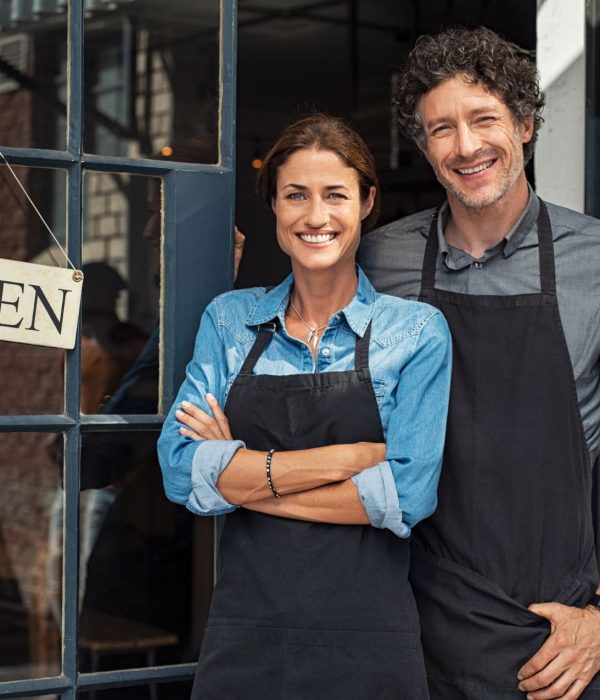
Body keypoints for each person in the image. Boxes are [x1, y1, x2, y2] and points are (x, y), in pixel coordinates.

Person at [157, 114, 452, 699]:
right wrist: (350, 458)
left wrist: (242, 479)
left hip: (369, 645)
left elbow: (409, 496)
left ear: (367, 202)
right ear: (273, 207)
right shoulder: (230, 321)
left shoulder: (415, 333)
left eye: (335, 195)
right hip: (246, 638)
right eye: (296, 195)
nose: (315, 216)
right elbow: (177, 469)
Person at [358, 26, 600, 700]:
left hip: (555, 641)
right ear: (423, 146)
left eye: (484, 119)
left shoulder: (595, 262)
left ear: (524, 124)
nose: (465, 147)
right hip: (409, 619)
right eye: (441, 129)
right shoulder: (378, 263)